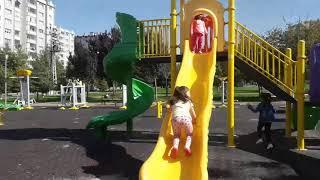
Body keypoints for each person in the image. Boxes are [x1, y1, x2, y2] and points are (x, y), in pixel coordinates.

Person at [167, 86, 197, 159]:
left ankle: (175, 147)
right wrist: (195, 120)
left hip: (175, 120)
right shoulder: (188, 101)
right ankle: (187, 147)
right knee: (189, 135)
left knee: (176, 135)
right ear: (185, 94)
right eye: (188, 92)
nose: (190, 94)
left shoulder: (173, 101)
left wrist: (168, 107)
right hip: (186, 119)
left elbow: (169, 109)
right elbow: (193, 113)